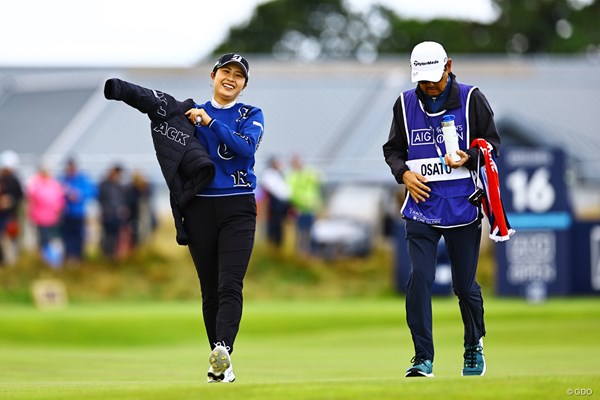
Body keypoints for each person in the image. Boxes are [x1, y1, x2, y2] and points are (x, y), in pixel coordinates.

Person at [382, 41, 501, 377]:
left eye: (434, 78)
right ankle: (422, 357)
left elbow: (493, 145)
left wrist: (470, 156)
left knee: (464, 286)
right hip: (420, 208)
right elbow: (393, 149)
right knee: (419, 278)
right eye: (422, 80)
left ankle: (473, 344)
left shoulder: (472, 97)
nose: (429, 86)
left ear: (448, 66)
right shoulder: (404, 104)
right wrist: (403, 173)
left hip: (463, 207)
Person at [183, 53, 264, 383]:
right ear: (213, 75)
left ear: (244, 85)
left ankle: (222, 348)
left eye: (239, 75)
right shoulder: (191, 114)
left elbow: (245, 149)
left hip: (238, 207)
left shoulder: (250, 114)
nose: (231, 78)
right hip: (200, 208)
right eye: (225, 72)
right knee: (209, 290)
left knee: (230, 283)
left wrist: (211, 123)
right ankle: (222, 365)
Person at [25, 164, 66, 266]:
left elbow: (60, 198)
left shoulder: (54, 184)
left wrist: (58, 209)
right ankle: (45, 260)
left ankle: (54, 260)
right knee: (44, 239)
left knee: (54, 239)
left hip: (53, 217)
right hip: (41, 218)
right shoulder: (36, 184)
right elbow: (33, 196)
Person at [59, 157, 96, 265]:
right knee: (67, 236)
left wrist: (79, 195)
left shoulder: (82, 179)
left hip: (79, 214)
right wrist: (66, 195)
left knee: (79, 236)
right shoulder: (63, 179)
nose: (70, 169)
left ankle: (78, 257)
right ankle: (69, 256)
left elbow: (91, 192)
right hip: (66, 213)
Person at [286, 154, 322, 256]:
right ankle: (300, 253)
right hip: (299, 208)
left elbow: (317, 188)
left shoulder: (309, 173)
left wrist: (317, 206)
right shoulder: (292, 176)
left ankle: (313, 253)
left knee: (312, 232)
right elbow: (290, 193)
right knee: (300, 232)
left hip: (310, 208)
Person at [98, 164, 129, 260]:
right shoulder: (104, 185)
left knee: (115, 236)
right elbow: (101, 199)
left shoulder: (119, 186)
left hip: (117, 216)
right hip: (108, 216)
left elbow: (122, 200)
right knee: (107, 236)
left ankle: (112, 256)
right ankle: (106, 255)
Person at [259, 156, 291, 249]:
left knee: (279, 227)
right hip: (273, 204)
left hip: (279, 205)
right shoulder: (268, 174)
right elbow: (275, 190)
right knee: (272, 226)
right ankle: (272, 246)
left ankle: (277, 246)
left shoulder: (279, 174)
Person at [0, 150, 24, 266]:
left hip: (10, 216)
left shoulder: (14, 180)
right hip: (2, 216)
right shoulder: (2, 179)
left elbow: (19, 197)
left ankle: (11, 264)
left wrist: (10, 201)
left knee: (11, 240)